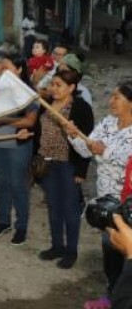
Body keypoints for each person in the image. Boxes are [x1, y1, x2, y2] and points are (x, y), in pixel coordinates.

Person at [69, 82, 132, 309]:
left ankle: (122, 298)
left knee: (126, 250)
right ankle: (113, 294)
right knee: (110, 248)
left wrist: (103, 150)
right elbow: (86, 149)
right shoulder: (107, 123)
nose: (111, 101)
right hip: (107, 199)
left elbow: (127, 159)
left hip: (128, 201)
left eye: (117, 97)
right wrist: (75, 136)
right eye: (112, 96)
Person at [35, 68, 94, 268]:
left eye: (59, 85)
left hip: (68, 165)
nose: (53, 88)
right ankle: (57, 246)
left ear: (71, 87)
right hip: (48, 163)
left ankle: (71, 251)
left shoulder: (81, 108)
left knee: (70, 209)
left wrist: (81, 172)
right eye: (52, 84)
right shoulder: (47, 105)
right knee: (54, 207)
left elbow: (88, 143)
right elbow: (39, 131)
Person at [0, 55, 39, 245]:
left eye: (6, 67)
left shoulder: (28, 92)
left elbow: (30, 121)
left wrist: (2, 120)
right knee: (1, 183)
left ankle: (21, 226)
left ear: (19, 70)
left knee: (19, 186)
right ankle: (3, 221)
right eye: (2, 66)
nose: (1, 70)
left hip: (17, 146)